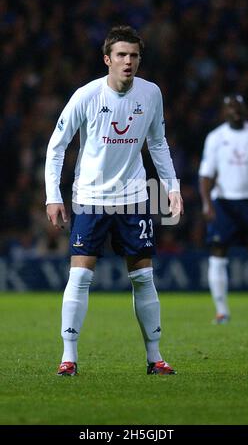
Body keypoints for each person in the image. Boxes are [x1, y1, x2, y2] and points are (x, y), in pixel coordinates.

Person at [45, 25, 183, 376]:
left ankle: (155, 359)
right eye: (121, 55)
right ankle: (69, 357)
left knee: (143, 277)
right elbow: (57, 146)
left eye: (134, 55)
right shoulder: (87, 96)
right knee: (80, 277)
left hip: (135, 197)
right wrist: (53, 195)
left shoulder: (151, 94)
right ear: (107, 59)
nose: (128, 61)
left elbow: (158, 143)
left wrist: (172, 187)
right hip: (91, 197)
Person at [199, 94, 248, 324]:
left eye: (239, 107)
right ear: (224, 112)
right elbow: (206, 174)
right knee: (218, 253)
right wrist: (207, 203)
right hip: (223, 202)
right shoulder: (216, 138)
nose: (235, 112)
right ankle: (222, 311)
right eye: (231, 108)